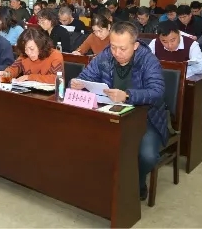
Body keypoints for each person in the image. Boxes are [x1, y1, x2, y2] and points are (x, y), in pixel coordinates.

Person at [71, 21, 165, 201]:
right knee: (83, 140)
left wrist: (127, 95)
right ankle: (101, 184)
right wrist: (77, 83)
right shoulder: (105, 55)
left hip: (145, 117)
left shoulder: (149, 60)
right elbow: (84, 77)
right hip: (110, 115)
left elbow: (157, 92)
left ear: (135, 45)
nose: (117, 53)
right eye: (113, 47)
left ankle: (137, 182)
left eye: (123, 49)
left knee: (147, 156)